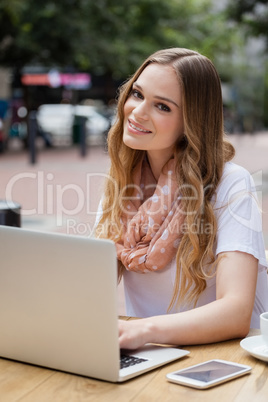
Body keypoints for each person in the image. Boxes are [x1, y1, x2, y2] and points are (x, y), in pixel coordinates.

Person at [95, 48, 268, 350]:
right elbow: (90, 285)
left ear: (192, 121)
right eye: (137, 94)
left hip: (224, 358)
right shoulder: (122, 182)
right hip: (150, 355)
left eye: (162, 106)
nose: (137, 112)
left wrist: (143, 331)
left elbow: (236, 312)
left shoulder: (230, 183)